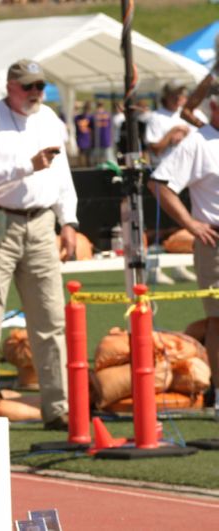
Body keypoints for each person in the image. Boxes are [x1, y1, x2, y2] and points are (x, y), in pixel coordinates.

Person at [0, 59, 77, 430]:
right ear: (10, 86)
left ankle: (57, 408)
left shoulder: (49, 119)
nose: (35, 94)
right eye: (28, 86)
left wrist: (69, 220)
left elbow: (62, 176)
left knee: (51, 319)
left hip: (42, 222)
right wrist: (25, 167)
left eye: (40, 86)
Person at [147, 88, 219, 420]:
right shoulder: (197, 143)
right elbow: (159, 183)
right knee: (218, 321)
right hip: (214, 241)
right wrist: (191, 224)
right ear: (215, 106)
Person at [145, 81, 204, 284]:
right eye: (176, 95)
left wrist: (186, 132)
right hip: (166, 176)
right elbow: (154, 149)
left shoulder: (191, 116)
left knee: (184, 225)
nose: (180, 98)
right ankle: (154, 269)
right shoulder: (157, 117)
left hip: (190, 177)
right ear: (167, 96)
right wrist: (172, 134)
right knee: (161, 226)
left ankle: (180, 265)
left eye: (182, 94)